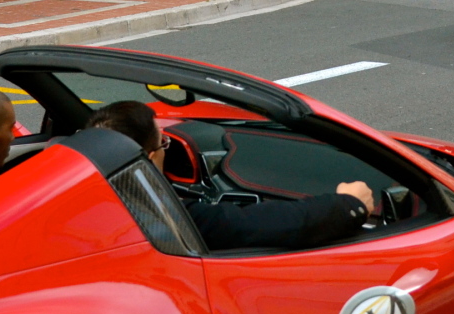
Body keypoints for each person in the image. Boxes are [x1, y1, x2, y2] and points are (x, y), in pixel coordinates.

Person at [86, 101, 376, 251]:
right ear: (148, 160)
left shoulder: (83, 206)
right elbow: (263, 224)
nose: (166, 149)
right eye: (164, 144)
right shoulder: (168, 218)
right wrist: (349, 204)